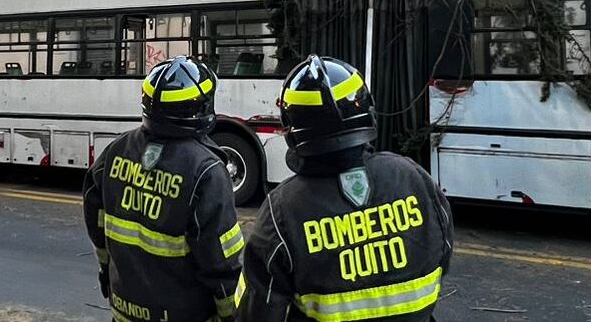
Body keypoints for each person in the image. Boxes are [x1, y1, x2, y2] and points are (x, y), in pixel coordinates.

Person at [236, 56, 453, 321]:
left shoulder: (281, 210)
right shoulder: (415, 179)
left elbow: (259, 310)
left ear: (292, 129)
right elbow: (443, 258)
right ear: (367, 111)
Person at [83, 56, 244, 322]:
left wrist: (106, 274)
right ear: (202, 106)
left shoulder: (114, 153)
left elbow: (98, 230)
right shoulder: (206, 172)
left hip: (124, 312)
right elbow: (222, 263)